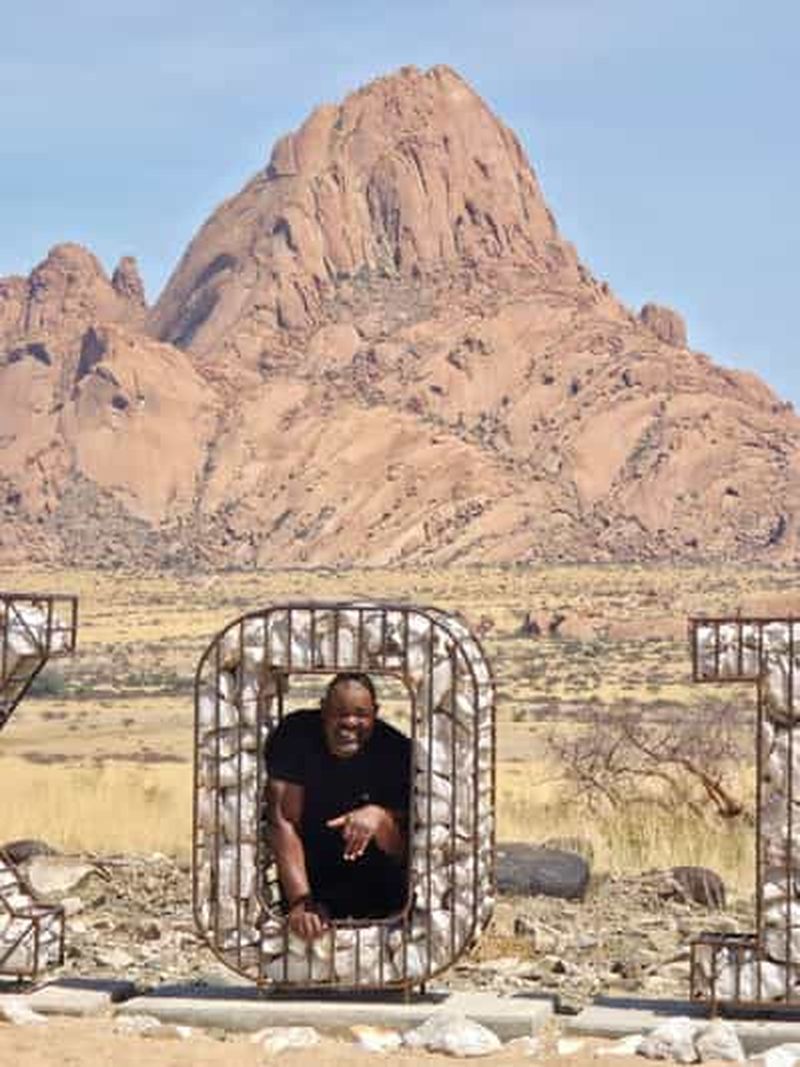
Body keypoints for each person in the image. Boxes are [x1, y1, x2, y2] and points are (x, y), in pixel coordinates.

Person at [265, 671, 411, 941]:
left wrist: (379, 818)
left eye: (360, 714)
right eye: (339, 712)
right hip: (313, 883)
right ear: (323, 710)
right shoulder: (296, 736)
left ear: (375, 713)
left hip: (380, 891)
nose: (349, 723)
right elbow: (282, 821)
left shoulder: (396, 751)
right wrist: (300, 901)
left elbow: (404, 848)